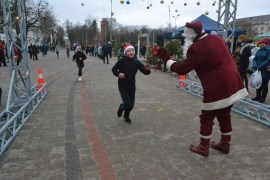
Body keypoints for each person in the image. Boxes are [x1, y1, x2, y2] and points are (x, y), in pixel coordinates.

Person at [165, 21, 248, 157]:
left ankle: (204, 147)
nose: (185, 39)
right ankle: (225, 144)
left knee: (206, 117)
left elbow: (183, 70)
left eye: (186, 37)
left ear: (192, 36)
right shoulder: (216, 38)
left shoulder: (196, 48)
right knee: (224, 114)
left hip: (217, 85)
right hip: (233, 81)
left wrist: (167, 60)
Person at [112, 44, 151, 124]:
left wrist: (147, 69)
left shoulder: (137, 62)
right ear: (125, 52)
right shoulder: (121, 61)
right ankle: (123, 110)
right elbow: (114, 69)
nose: (131, 52)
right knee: (128, 104)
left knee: (131, 105)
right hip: (122, 85)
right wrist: (118, 74)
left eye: (132, 50)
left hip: (132, 86)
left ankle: (126, 115)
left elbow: (145, 71)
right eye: (129, 51)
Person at [251, 38, 270, 103]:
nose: (262, 44)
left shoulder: (268, 50)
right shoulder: (259, 51)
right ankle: (258, 96)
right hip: (258, 70)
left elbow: (268, 60)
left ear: (267, 44)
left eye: (263, 43)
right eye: (261, 43)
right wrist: (255, 65)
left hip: (265, 70)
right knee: (258, 83)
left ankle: (263, 98)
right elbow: (255, 59)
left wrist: (260, 66)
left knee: (264, 84)